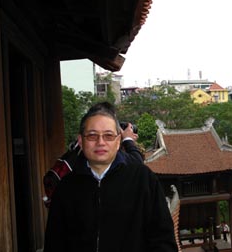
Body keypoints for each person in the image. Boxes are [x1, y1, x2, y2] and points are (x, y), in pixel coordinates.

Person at [44, 102, 177, 252]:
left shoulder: (143, 180)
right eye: (92, 136)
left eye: (108, 136)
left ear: (118, 141)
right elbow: (54, 243)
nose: (101, 142)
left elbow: (164, 241)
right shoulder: (66, 188)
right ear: (81, 141)